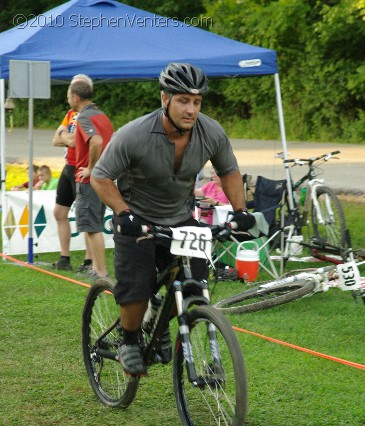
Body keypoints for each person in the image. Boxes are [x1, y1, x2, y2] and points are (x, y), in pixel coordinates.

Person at [91, 62, 255, 376]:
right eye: (183, 100)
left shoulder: (211, 132)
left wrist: (241, 211)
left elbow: (229, 171)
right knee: (137, 288)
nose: (191, 109)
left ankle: (160, 317)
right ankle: (128, 340)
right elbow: (100, 177)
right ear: (165, 99)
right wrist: (123, 213)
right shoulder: (135, 135)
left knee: (195, 286)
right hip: (137, 221)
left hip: (180, 219)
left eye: (196, 102)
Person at [68, 79, 113, 278]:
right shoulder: (102, 115)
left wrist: (90, 169)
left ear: (75, 98)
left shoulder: (84, 117)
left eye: (69, 96)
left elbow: (97, 141)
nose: (68, 100)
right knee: (94, 223)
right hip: (105, 176)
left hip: (90, 180)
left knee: (92, 227)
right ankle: (97, 269)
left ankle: (100, 272)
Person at [52, 74, 94, 272]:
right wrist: (67, 138)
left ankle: (88, 262)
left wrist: (66, 137)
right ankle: (64, 258)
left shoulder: (89, 115)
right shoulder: (70, 114)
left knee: (84, 216)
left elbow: (74, 141)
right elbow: (56, 139)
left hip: (82, 169)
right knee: (60, 212)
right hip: (68, 166)